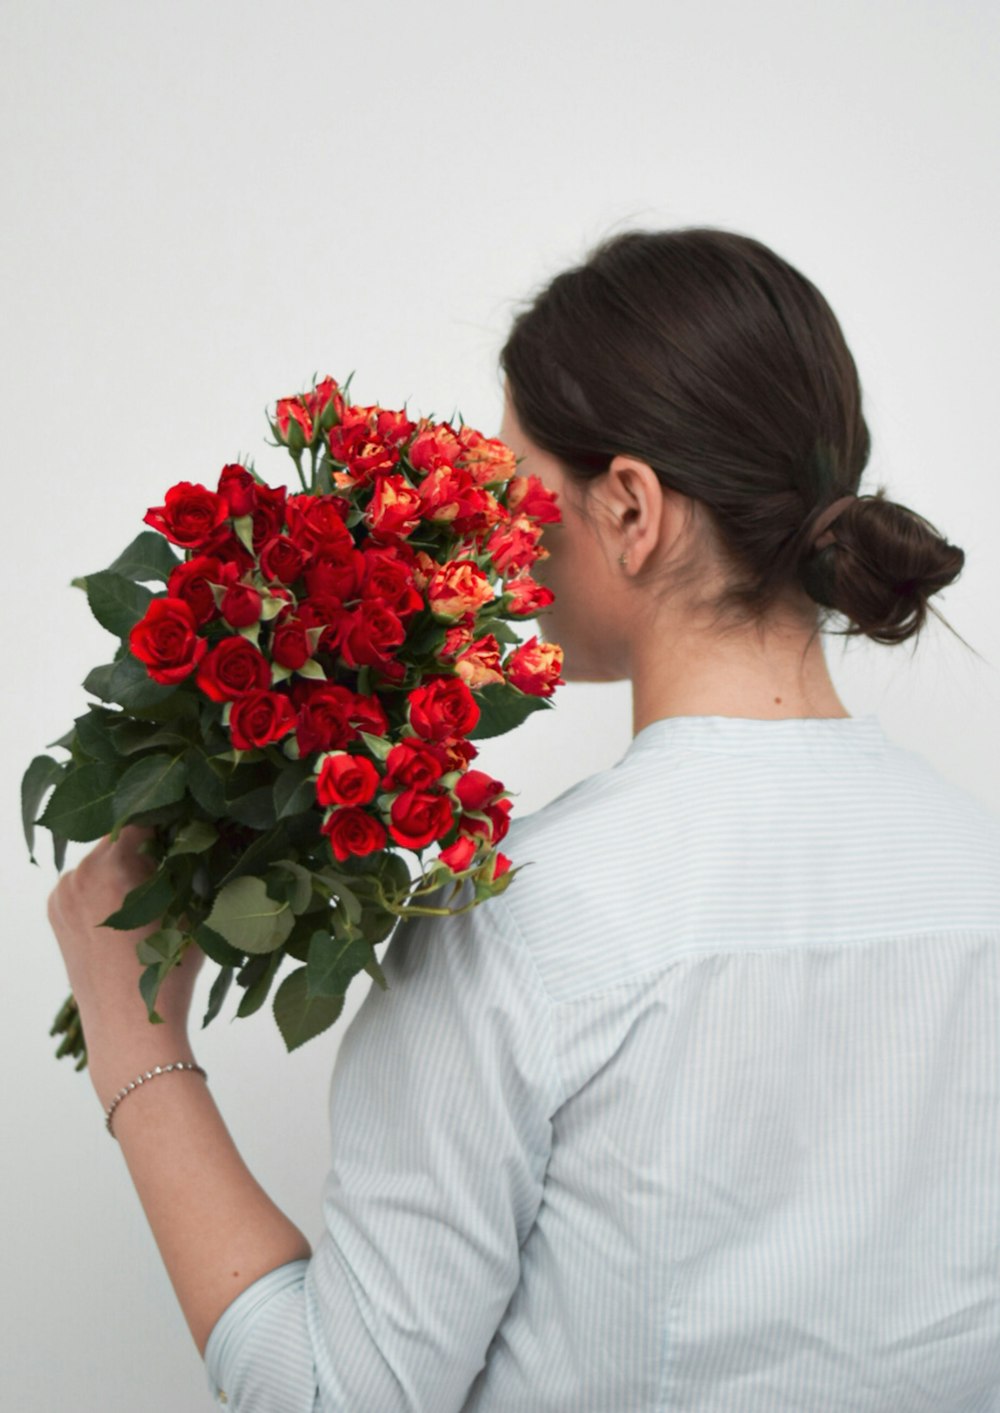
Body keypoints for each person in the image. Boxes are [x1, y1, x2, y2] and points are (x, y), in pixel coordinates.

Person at [47, 226, 1000, 1412]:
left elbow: (344, 1399)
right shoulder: (979, 874)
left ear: (632, 510)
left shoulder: (520, 919)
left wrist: (135, 1045)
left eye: (512, 492)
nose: (492, 539)